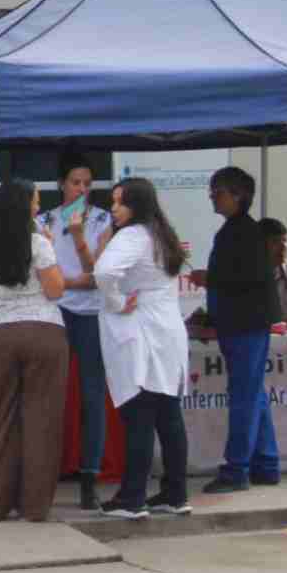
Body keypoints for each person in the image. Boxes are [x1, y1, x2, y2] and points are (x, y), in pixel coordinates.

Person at [0, 179, 69, 523]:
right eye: (35, 202)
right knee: (41, 420)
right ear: (24, 206)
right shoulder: (38, 243)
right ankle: (34, 507)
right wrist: (49, 249)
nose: (38, 207)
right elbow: (55, 291)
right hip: (44, 331)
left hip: (0, 334)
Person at [95, 178, 192, 520]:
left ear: (136, 205)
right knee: (168, 416)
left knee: (139, 416)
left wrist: (117, 301)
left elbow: (103, 271)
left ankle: (132, 497)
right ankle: (175, 493)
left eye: (119, 202)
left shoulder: (133, 236)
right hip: (167, 330)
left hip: (142, 331)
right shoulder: (160, 233)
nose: (113, 208)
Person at [188, 167, 282, 494]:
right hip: (240, 321)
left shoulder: (243, 232)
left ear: (238, 196)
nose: (213, 196)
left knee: (243, 395)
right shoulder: (234, 230)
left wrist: (209, 279)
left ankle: (236, 468)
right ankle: (267, 463)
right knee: (252, 392)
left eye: (219, 191)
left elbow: (246, 278)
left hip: (246, 323)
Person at [45, 152, 115, 510]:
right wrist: (73, 282)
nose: (82, 189)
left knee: (92, 395)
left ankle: (90, 478)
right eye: (76, 182)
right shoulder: (45, 221)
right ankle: (45, 474)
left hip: (90, 314)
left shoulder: (103, 220)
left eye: (88, 184)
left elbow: (98, 274)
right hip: (55, 312)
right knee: (48, 394)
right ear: (62, 184)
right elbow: (49, 278)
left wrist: (77, 237)